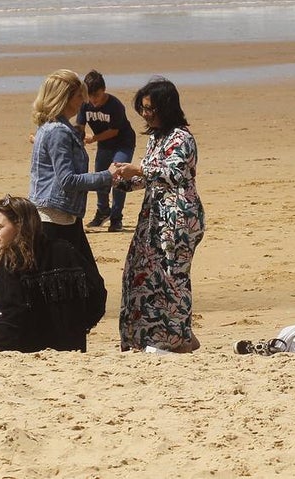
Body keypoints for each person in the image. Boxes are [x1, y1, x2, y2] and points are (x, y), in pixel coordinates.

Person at [115, 77, 205, 353]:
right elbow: (149, 177)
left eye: (150, 109)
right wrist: (121, 179)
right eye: (142, 109)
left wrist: (138, 169)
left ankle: (180, 339)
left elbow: (173, 173)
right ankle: (148, 337)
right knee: (143, 274)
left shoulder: (182, 137)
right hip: (154, 217)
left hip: (178, 219)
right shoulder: (156, 138)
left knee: (172, 277)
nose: (146, 114)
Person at [29, 69, 112, 323]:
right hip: (54, 219)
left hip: (66, 217)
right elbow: (67, 181)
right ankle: (64, 335)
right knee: (80, 290)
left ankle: (67, 334)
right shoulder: (57, 131)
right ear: (64, 98)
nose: (83, 102)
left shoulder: (55, 128)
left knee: (85, 289)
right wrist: (108, 176)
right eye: (78, 97)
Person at [0, 195, 106, 352]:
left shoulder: (12, 262)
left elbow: (11, 313)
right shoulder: (66, 250)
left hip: (25, 351)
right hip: (69, 348)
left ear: (19, 225)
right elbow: (97, 293)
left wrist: (0, 351)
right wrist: (78, 328)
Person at [78, 70, 136, 232]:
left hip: (123, 143)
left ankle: (116, 218)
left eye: (96, 95)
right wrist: (78, 139)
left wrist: (93, 138)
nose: (93, 100)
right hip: (104, 145)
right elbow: (80, 127)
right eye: (90, 96)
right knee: (101, 178)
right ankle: (103, 211)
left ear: (104, 90)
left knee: (118, 176)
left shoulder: (115, 105)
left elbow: (114, 131)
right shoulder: (85, 104)